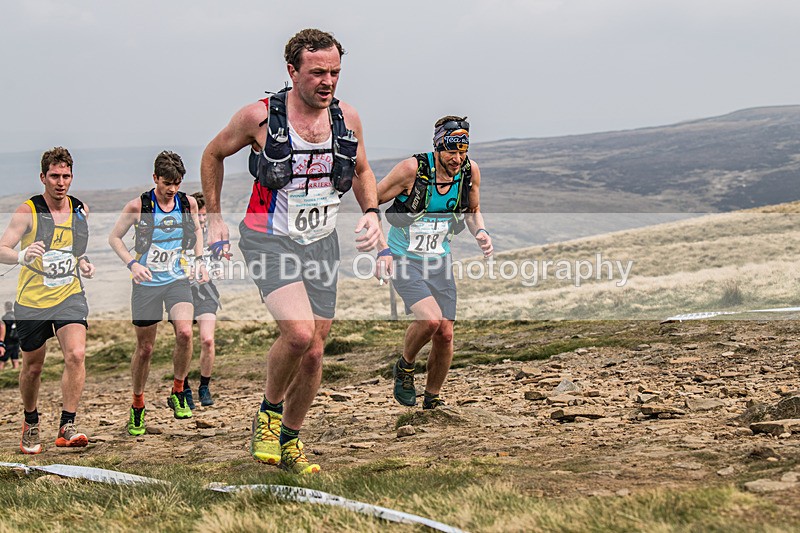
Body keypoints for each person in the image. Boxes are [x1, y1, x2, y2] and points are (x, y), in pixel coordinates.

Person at [200, 28, 387, 474]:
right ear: (292, 71)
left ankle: (291, 440)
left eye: (335, 72)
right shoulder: (258, 117)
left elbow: (361, 169)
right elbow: (212, 155)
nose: (328, 81)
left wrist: (372, 211)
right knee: (299, 334)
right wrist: (213, 216)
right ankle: (267, 413)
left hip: (320, 242)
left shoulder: (347, 118)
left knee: (317, 351)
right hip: (268, 236)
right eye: (318, 72)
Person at [376, 116, 493, 409]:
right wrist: (380, 248)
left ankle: (432, 399)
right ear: (438, 147)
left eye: (462, 152)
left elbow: (473, 208)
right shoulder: (412, 170)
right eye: (451, 152)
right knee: (429, 320)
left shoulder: (469, 171)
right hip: (404, 257)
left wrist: (480, 231)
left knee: (445, 333)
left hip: (439, 259)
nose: (457, 159)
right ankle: (405, 367)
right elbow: (371, 200)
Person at [0, 147, 96, 454]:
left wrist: (83, 262)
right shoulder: (27, 211)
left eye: (66, 176)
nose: (60, 182)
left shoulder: (80, 209)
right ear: (43, 177)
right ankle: (30, 422)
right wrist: (22, 255)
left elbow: (73, 250)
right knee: (32, 367)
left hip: (69, 294)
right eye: (54, 176)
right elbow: (2, 250)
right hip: (32, 301)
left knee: (76, 354)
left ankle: (67, 426)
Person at [108, 151, 207, 436]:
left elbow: (198, 231)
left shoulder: (187, 203)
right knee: (146, 349)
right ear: (155, 179)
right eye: (167, 183)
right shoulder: (138, 205)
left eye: (176, 183)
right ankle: (138, 404)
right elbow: (114, 238)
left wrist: (199, 262)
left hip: (177, 279)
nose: (172, 189)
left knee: (186, 333)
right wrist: (132, 263)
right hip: (146, 284)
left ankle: (178, 389)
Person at [182, 191, 219, 408]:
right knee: (184, 338)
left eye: (205, 216)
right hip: (182, 292)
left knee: (207, 340)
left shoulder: (215, 235)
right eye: (199, 215)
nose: (202, 219)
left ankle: (204, 386)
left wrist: (217, 270)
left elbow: (222, 260)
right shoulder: (181, 234)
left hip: (207, 291)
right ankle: (182, 386)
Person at [1, 301, 21, 371]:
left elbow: (2, 329)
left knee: (2, 361)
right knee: (15, 359)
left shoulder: (4, 317)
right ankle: (16, 373)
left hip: (7, 341)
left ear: (6, 307)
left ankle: (1, 374)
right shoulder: (16, 316)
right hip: (16, 340)